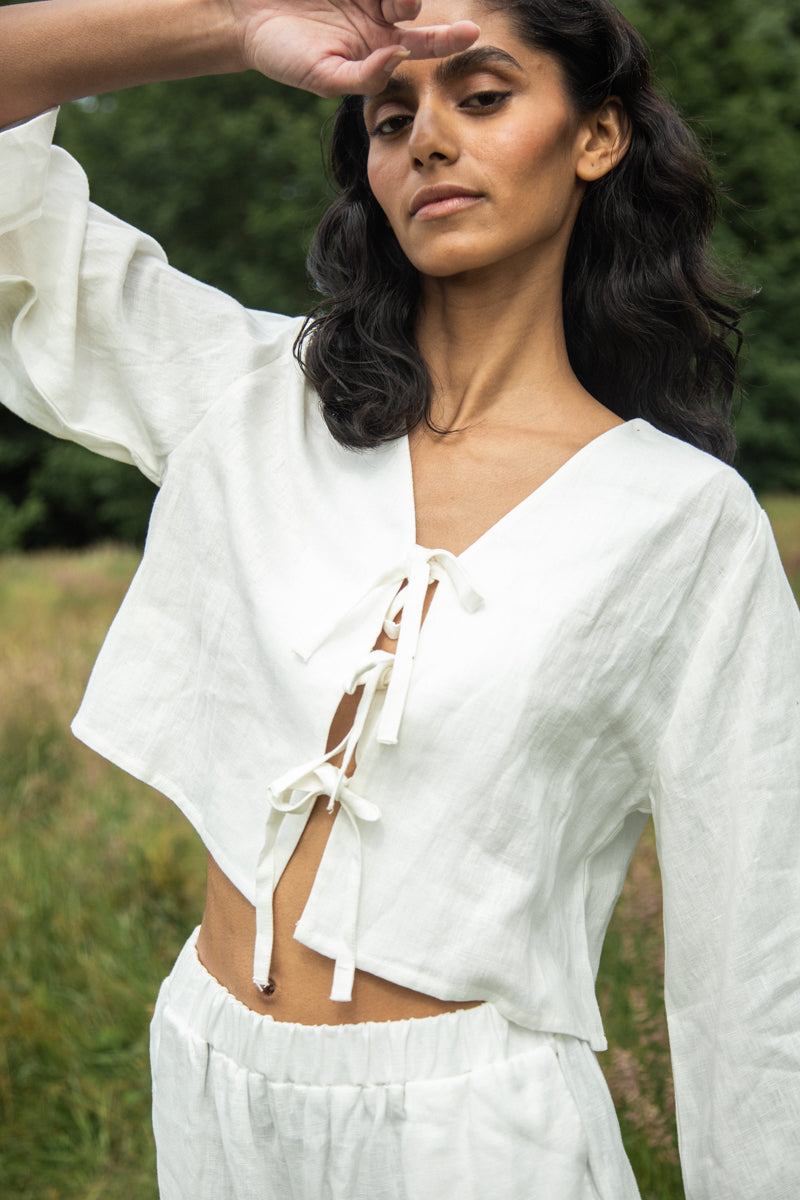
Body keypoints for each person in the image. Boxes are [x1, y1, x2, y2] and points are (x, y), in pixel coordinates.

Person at [1, 0, 798, 1197]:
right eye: (388, 119)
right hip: (210, 1076)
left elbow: (754, 959)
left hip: (472, 1134)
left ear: (594, 136)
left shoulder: (683, 524)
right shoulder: (256, 399)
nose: (426, 139)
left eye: (481, 98)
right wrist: (237, 23)